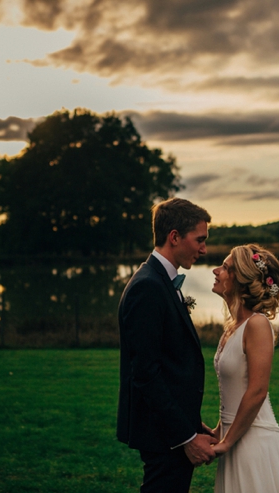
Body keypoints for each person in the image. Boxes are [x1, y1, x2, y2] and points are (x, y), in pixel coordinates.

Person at [117, 197, 218, 493]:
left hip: (169, 427)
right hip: (162, 434)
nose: (204, 249)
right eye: (199, 240)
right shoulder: (148, 287)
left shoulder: (160, 280)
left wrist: (192, 422)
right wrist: (185, 436)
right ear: (174, 237)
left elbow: (171, 363)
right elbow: (146, 373)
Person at [210, 244, 279, 492]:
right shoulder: (233, 326)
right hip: (234, 436)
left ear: (241, 280)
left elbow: (257, 391)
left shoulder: (257, 324)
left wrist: (226, 443)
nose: (215, 270)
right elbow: (234, 389)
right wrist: (218, 431)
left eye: (225, 267)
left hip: (253, 442)